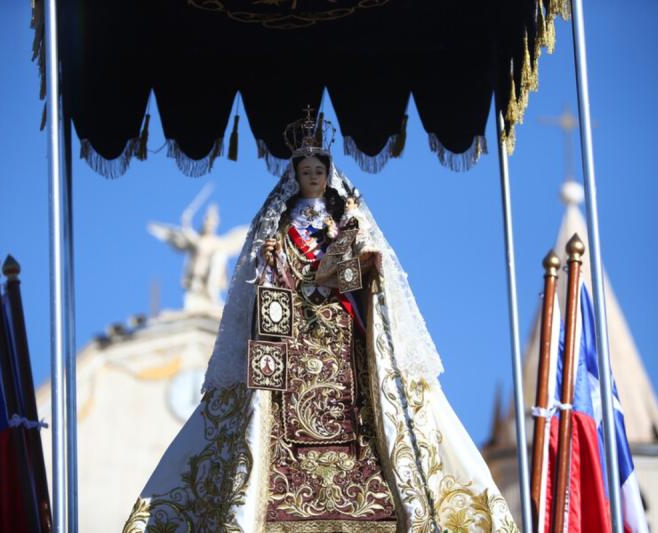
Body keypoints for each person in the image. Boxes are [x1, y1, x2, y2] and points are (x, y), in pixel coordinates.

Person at [123, 109, 517, 533]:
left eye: (317, 171)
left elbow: (355, 278)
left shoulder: (341, 222)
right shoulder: (280, 226)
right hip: (293, 334)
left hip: (338, 333)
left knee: (356, 401)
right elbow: (269, 277)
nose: (312, 178)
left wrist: (361, 263)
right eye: (306, 171)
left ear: (327, 176)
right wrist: (273, 264)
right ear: (296, 177)